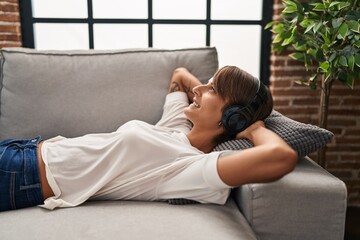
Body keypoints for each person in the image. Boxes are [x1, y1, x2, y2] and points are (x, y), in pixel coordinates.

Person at [0, 66, 298, 212]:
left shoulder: (189, 168)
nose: (198, 91)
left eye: (212, 91)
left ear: (232, 118)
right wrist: (211, 93)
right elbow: (180, 75)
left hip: (21, 176)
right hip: (23, 148)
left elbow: (281, 157)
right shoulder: (178, 127)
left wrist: (254, 127)